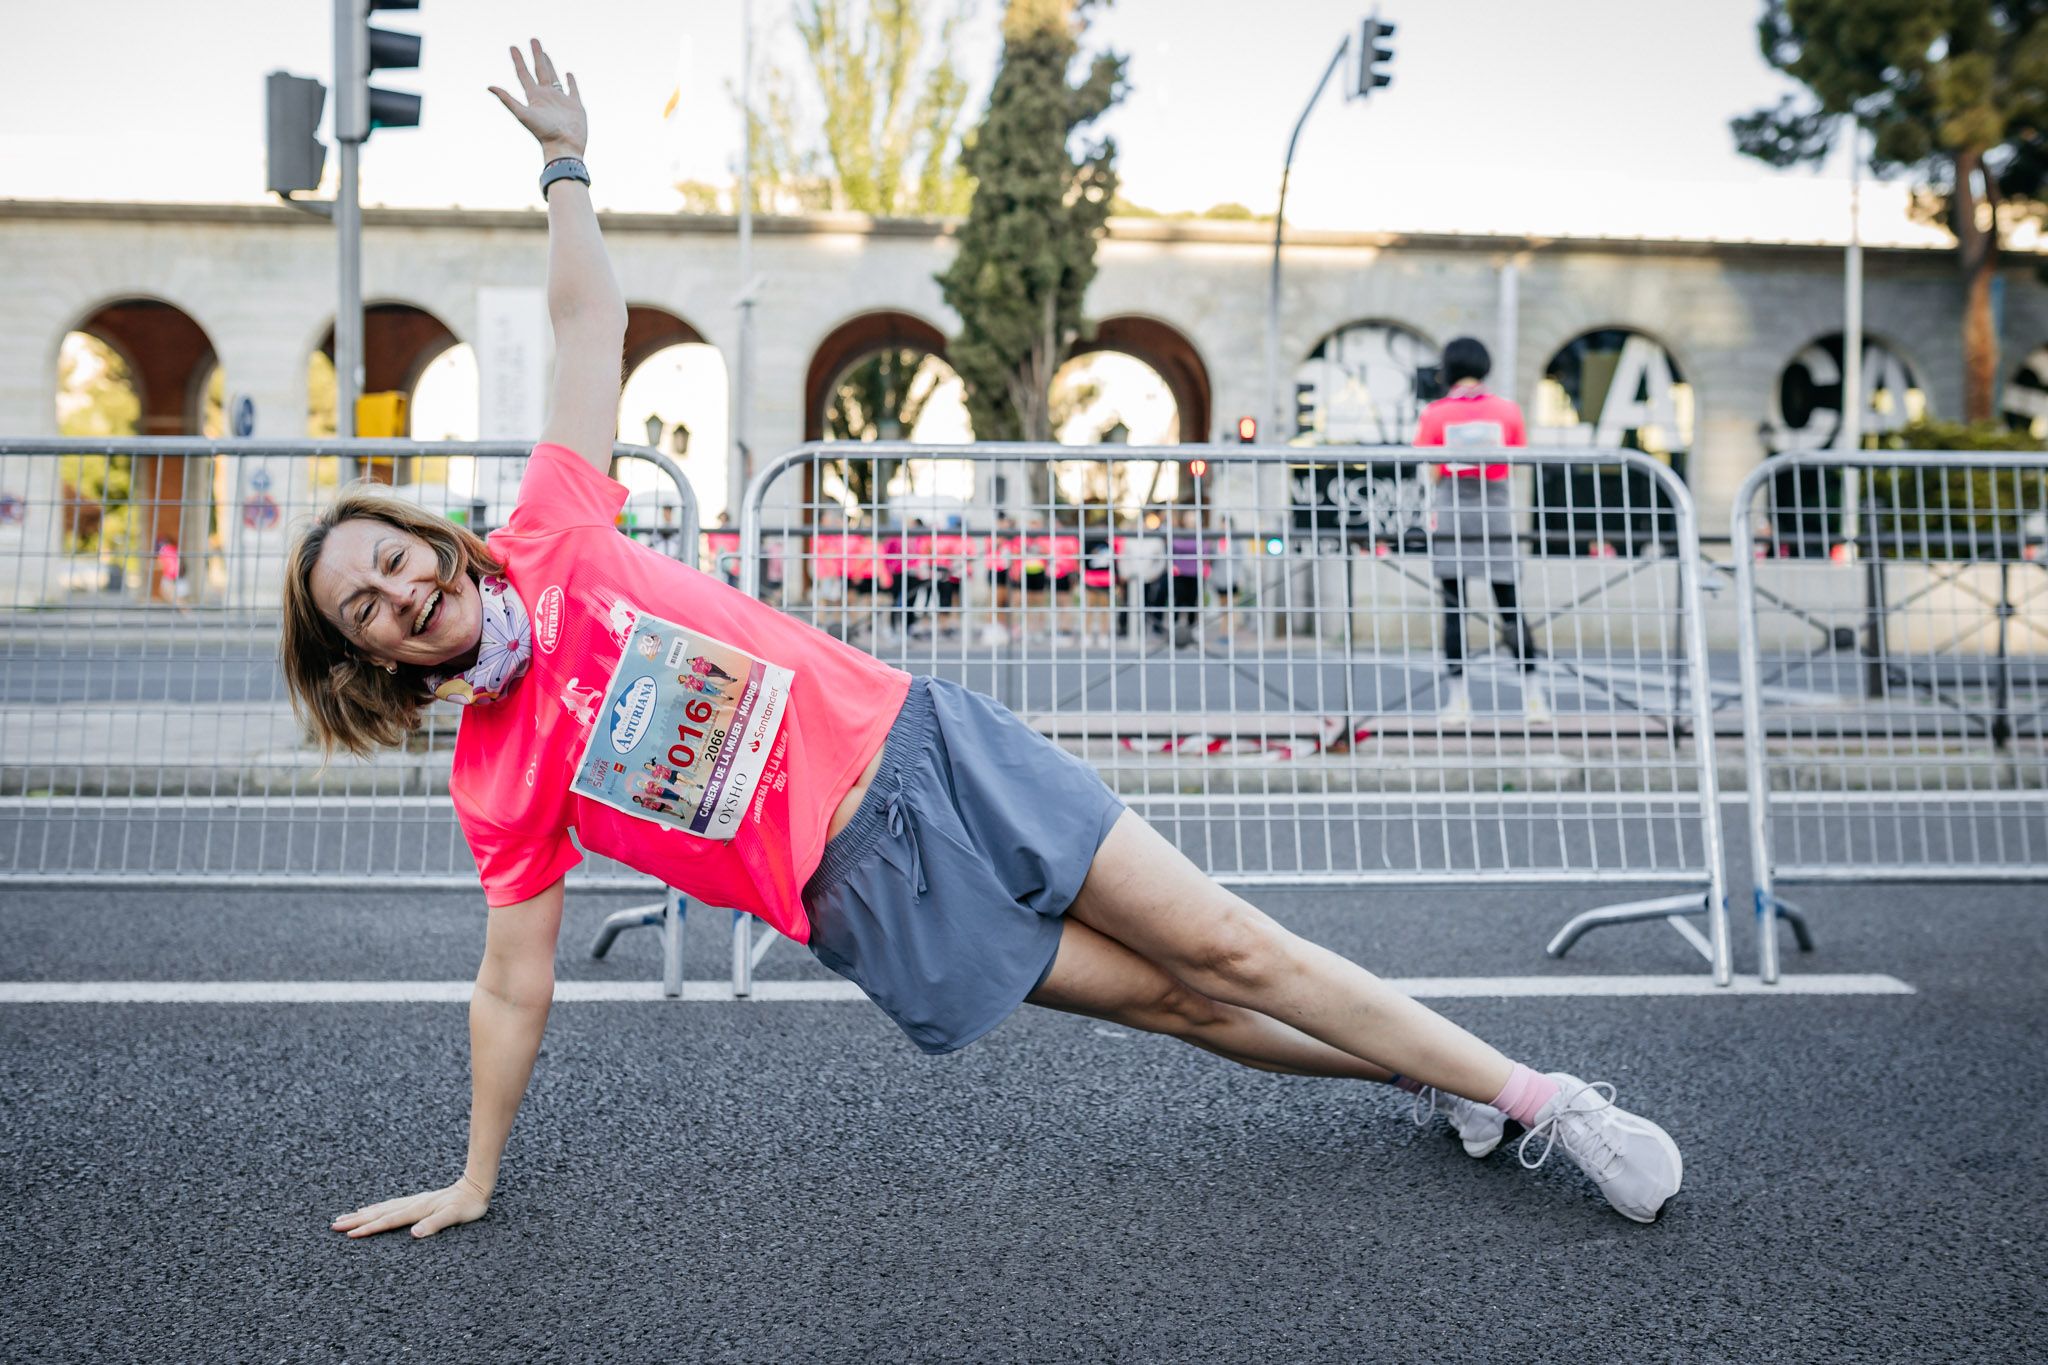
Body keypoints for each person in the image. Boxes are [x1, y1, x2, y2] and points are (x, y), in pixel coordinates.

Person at [291, 43, 1679, 1241]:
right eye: (367, 608)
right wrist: (475, 1176)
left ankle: (1548, 1099)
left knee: (1234, 951)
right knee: (1182, 1010)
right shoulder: (496, 774)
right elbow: (509, 981)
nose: (401, 594)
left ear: (429, 539)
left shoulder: (557, 525)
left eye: (394, 559)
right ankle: (1422, 1073)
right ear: (371, 660)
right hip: (866, 893)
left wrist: (568, 167)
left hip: (932, 754)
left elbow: (586, 318)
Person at [1415, 337, 1548, 724]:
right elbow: (1517, 459)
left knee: (1454, 609)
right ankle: (1534, 698)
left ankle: (1458, 702)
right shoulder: (1507, 410)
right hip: (1496, 511)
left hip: (1454, 512)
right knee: (1509, 605)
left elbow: (1432, 469)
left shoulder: (1436, 413)